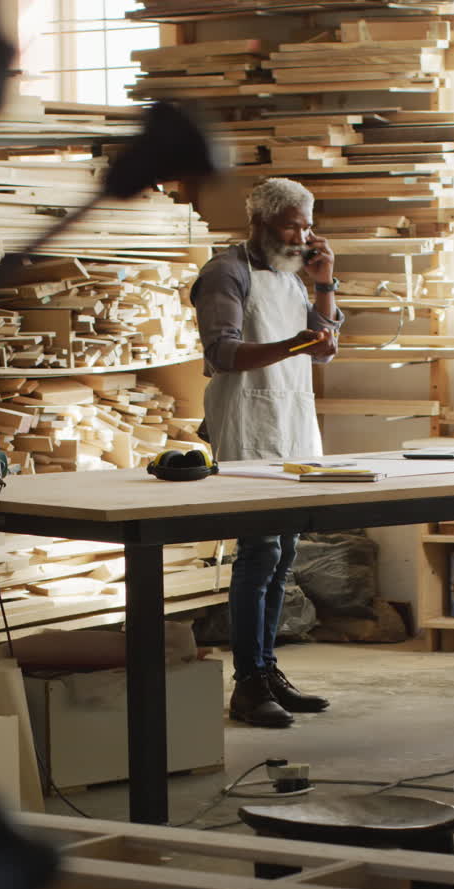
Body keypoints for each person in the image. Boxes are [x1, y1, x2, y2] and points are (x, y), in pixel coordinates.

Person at [190, 177, 344, 728]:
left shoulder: (292, 274)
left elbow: (321, 350)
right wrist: (297, 344)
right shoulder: (225, 273)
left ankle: (267, 667)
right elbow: (223, 351)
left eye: (307, 225)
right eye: (291, 226)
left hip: (293, 421)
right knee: (257, 555)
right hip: (247, 423)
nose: (302, 236)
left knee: (282, 556)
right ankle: (248, 684)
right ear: (258, 222)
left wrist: (324, 284)